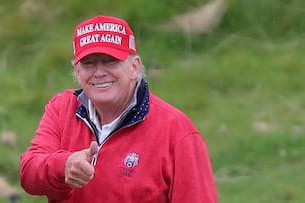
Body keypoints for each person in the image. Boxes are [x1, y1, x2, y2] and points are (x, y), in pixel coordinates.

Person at [20, 15, 218, 203]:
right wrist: (64, 166)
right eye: (89, 63)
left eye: (110, 61)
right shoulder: (62, 108)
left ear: (134, 67)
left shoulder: (177, 131)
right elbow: (28, 173)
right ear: (77, 71)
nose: (99, 72)